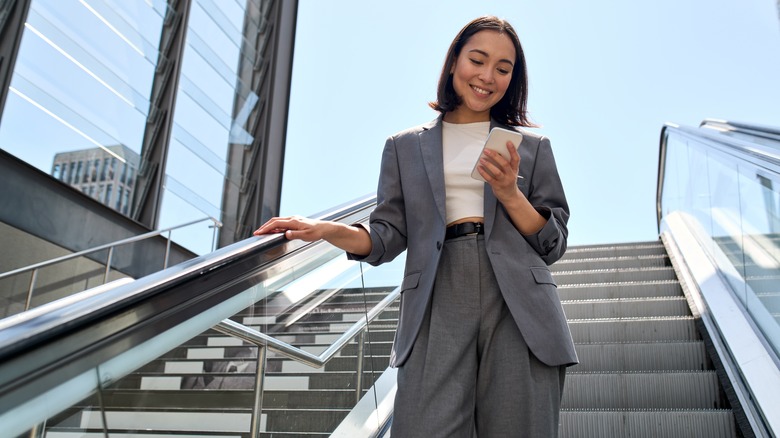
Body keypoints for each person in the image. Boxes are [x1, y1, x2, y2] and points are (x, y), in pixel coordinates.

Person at [254, 15, 577, 438]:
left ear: (513, 79)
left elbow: (554, 244)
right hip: (435, 297)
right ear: (452, 64)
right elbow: (387, 235)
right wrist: (329, 230)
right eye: (477, 60)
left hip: (519, 303)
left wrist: (510, 194)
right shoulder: (404, 147)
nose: (487, 76)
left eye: (503, 68)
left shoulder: (532, 147)